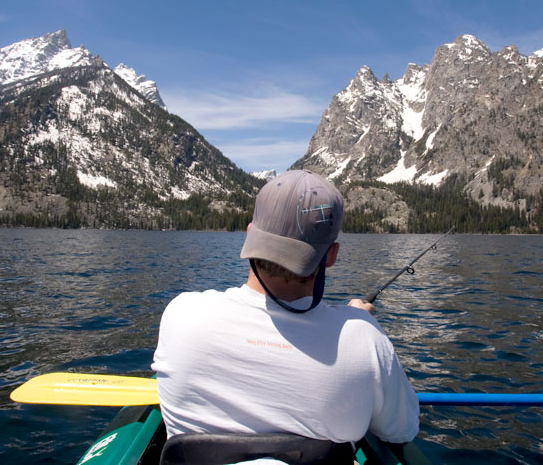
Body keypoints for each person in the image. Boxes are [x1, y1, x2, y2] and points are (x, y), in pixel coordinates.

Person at [151, 169, 419, 446]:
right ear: (331, 256)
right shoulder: (366, 340)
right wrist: (357, 324)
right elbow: (401, 430)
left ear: (249, 235)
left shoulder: (182, 313)